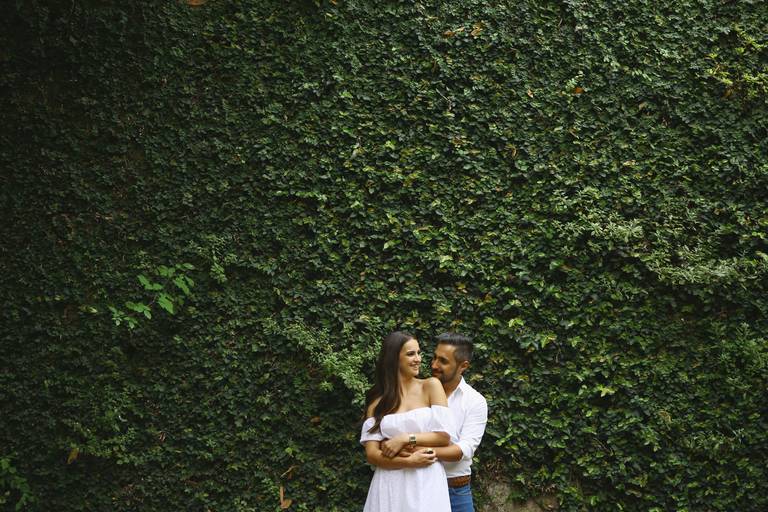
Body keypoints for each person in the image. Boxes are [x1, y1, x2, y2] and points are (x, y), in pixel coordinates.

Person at [379, 332, 488, 512]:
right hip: (414, 483)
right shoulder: (418, 390)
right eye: (434, 357)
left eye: (443, 361)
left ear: (463, 366)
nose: (434, 365)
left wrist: (415, 449)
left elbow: (463, 449)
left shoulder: (474, 401)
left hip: (454, 489)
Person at [360, 331, 457, 512]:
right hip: (389, 483)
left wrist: (405, 438)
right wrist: (409, 461)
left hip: (425, 481)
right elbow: (372, 455)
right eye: (411, 354)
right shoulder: (377, 400)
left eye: (419, 353)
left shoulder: (431, 386)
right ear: (394, 358)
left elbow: (444, 437)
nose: (418, 359)